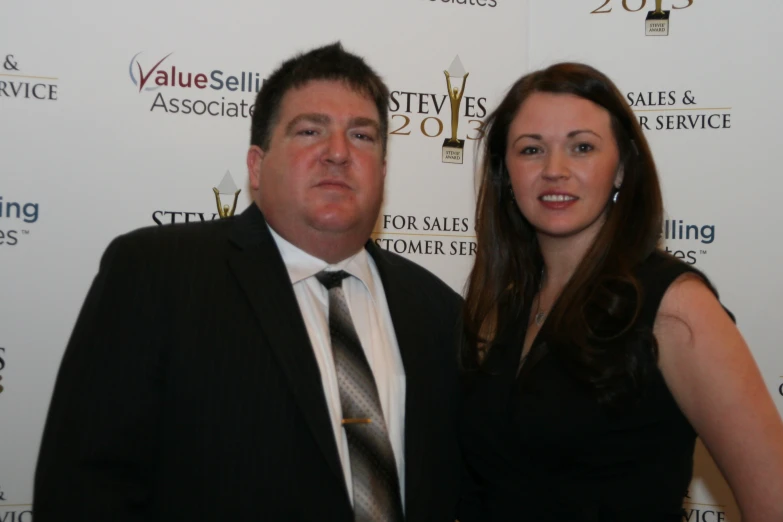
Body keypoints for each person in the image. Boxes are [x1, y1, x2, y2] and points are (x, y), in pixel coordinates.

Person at [33, 43, 462, 522]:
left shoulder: (439, 310)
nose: (338, 153)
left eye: (362, 136)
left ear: (382, 171)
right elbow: (84, 488)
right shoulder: (156, 274)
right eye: (309, 130)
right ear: (256, 167)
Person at [458, 62, 783, 521]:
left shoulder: (675, 305)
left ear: (622, 169)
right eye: (531, 150)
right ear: (505, 173)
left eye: (582, 147)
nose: (555, 170)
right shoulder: (503, 308)